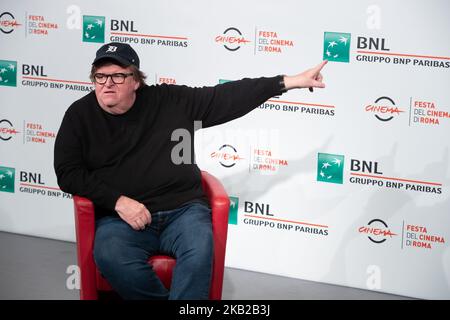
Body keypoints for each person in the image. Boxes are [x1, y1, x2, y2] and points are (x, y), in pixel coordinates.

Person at [54, 42, 327, 300]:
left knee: (200, 250)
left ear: (136, 80)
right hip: (121, 218)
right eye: (100, 77)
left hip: (182, 211)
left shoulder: (170, 100)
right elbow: (68, 172)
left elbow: (226, 97)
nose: (107, 84)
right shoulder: (79, 115)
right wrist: (118, 202)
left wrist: (288, 82)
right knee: (111, 254)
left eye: (117, 76)